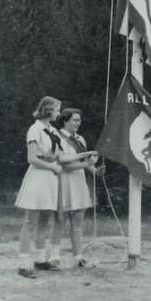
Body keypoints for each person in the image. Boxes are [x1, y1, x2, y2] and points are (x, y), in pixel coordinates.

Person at [14, 96, 95, 277]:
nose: (59, 113)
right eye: (57, 109)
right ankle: (23, 263)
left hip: (51, 178)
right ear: (48, 110)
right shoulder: (35, 130)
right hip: (38, 176)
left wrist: (87, 154)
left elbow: (63, 157)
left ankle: (41, 259)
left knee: (44, 220)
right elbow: (32, 158)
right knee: (30, 222)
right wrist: (52, 167)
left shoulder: (52, 131)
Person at [53, 108, 103, 266]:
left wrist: (95, 171)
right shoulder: (57, 137)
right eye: (74, 120)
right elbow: (65, 165)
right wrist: (87, 163)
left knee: (77, 222)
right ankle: (53, 257)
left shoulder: (80, 139)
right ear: (65, 120)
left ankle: (78, 257)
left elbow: (85, 163)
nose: (77, 123)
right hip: (64, 181)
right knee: (60, 221)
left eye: (79, 120)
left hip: (79, 182)